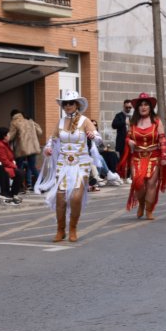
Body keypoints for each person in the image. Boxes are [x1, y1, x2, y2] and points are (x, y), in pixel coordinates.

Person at [35, 90, 101, 242]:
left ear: (77, 104)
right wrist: (48, 148)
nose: (67, 106)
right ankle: (60, 230)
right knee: (61, 198)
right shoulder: (60, 122)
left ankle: (73, 228)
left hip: (81, 163)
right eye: (65, 104)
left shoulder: (85, 121)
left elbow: (99, 139)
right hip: (63, 163)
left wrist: (93, 136)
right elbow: (52, 139)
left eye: (71, 103)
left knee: (76, 197)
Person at [117, 92, 166, 219]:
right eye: (141, 105)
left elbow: (162, 139)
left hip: (154, 156)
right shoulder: (133, 122)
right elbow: (127, 137)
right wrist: (129, 141)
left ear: (150, 107)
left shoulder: (157, 121)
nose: (143, 107)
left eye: (146, 104)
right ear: (138, 108)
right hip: (137, 157)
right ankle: (141, 204)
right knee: (138, 183)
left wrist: (164, 156)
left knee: (151, 184)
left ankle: (149, 210)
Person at [8, 110, 43, 190]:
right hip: (32, 147)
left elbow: (11, 136)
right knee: (32, 167)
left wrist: (4, 139)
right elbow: (40, 132)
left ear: (12, 115)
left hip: (21, 148)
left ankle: (19, 186)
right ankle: (41, 184)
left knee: (19, 167)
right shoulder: (30, 122)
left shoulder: (14, 122)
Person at [0, 127, 25, 202]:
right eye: (8, 134)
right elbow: (3, 161)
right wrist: (14, 166)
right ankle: (8, 194)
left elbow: (9, 158)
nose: (9, 135)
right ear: (4, 136)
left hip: (4, 166)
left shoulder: (4, 144)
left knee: (20, 172)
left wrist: (13, 165)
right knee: (19, 172)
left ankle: (13, 194)